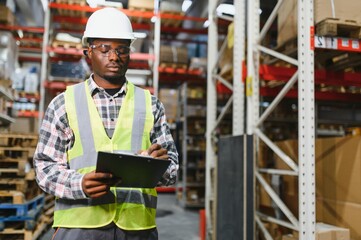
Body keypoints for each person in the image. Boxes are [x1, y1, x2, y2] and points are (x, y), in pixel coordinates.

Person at [33, 7, 178, 240]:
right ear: (87, 52)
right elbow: (44, 168)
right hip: (79, 228)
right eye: (104, 49)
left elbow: (171, 169)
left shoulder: (150, 105)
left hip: (137, 229)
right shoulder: (63, 104)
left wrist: (159, 165)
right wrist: (79, 184)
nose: (114, 56)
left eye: (122, 49)